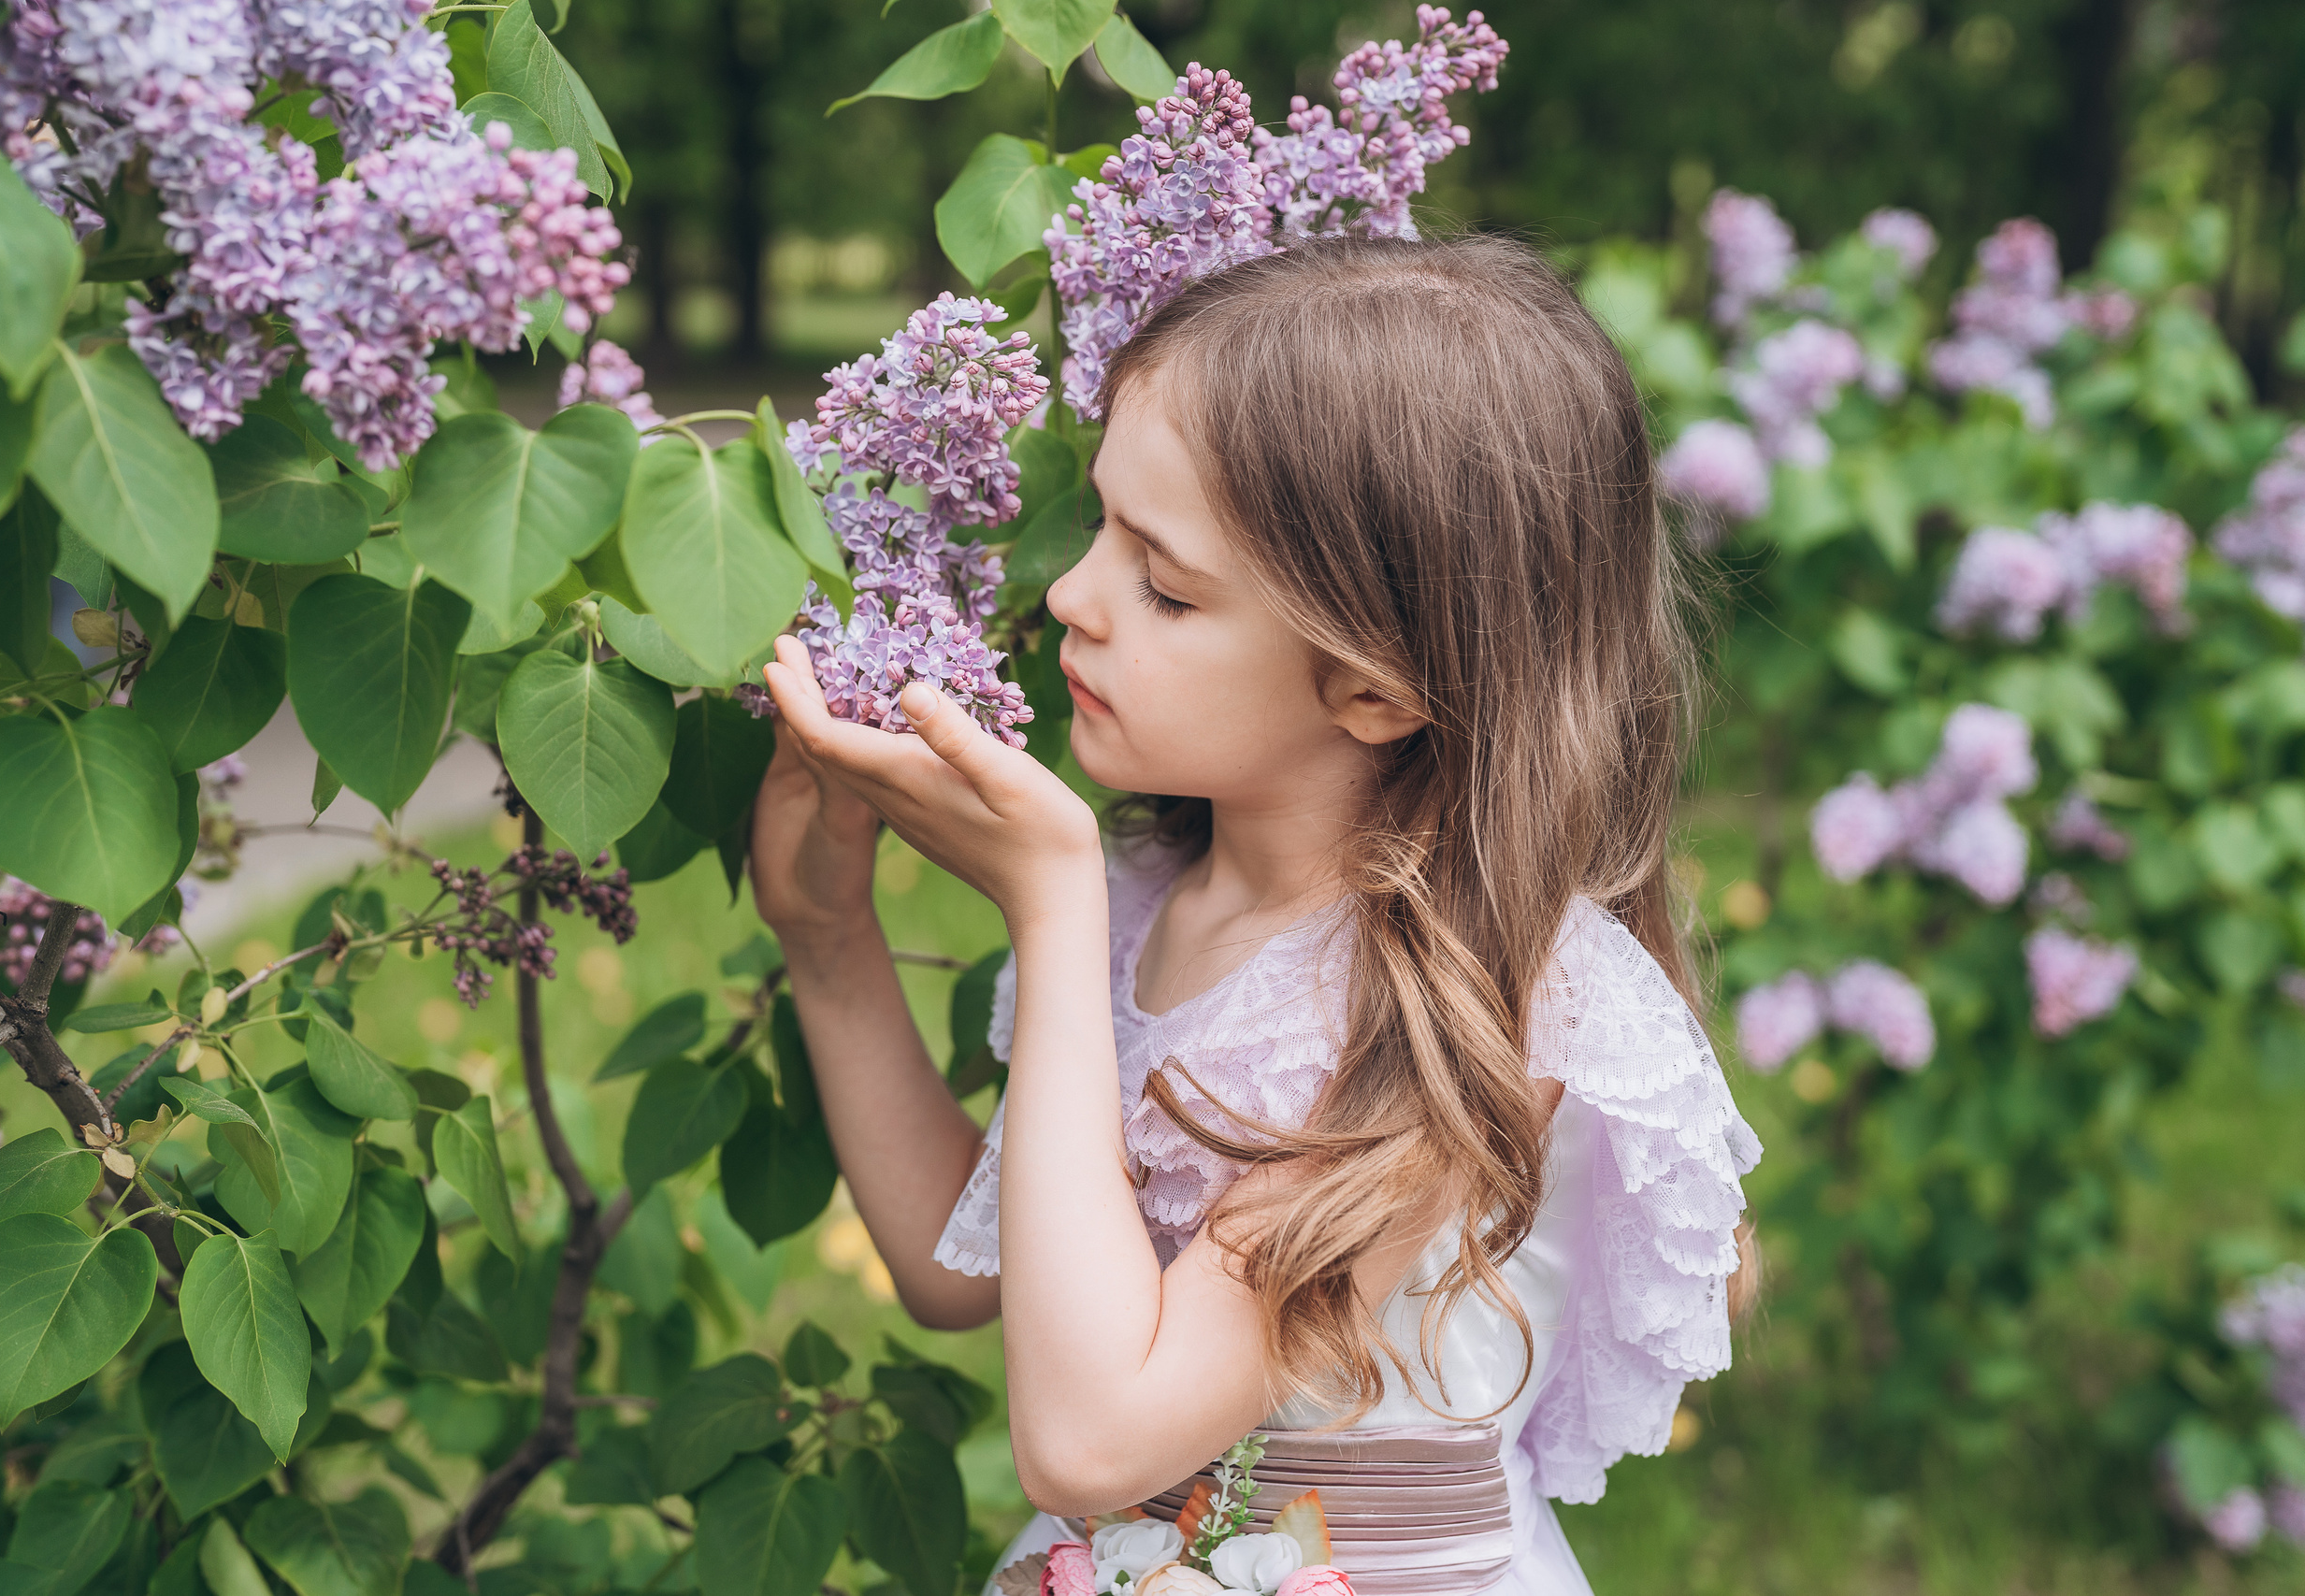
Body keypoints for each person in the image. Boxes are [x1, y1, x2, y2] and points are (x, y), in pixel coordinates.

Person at [749, 234, 1763, 1596]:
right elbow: (964, 1264)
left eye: (1164, 587)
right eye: (1101, 527)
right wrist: (827, 936)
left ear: (1378, 689)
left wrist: (1044, 906)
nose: (1070, 598)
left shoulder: (1466, 1010)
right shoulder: (1159, 902)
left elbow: (1092, 1435)